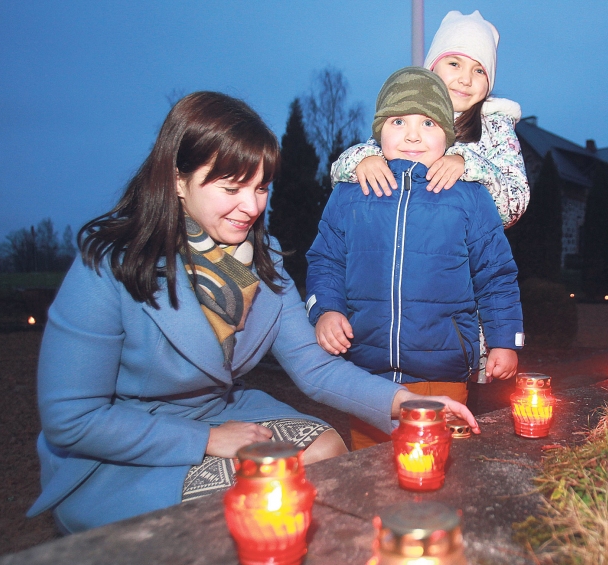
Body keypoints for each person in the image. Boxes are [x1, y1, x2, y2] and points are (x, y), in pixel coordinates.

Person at [26, 91, 478, 533]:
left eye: (261, 187)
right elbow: (73, 420)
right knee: (268, 491)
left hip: (221, 412)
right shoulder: (109, 265)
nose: (252, 206)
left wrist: (406, 403)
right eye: (232, 188)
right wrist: (205, 442)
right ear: (178, 181)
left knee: (328, 455)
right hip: (121, 446)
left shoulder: (263, 259)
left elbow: (314, 368)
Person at [306, 67, 524, 449]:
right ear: (379, 130)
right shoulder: (350, 192)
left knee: (437, 465)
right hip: (365, 374)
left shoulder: (469, 196)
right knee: (370, 473)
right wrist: (325, 309)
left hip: (440, 369)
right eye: (397, 121)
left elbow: (496, 276)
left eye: (427, 122)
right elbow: (326, 260)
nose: (412, 134)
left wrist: (506, 340)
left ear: (448, 135)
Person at [331, 9, 529, 228]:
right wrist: (364, 159)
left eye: (479, 70)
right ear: (432, 68)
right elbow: (338, 173)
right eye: (454, 64)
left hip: (459, 253)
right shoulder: (407, 111)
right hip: (400, 245)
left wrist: (468, 165)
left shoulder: (495, 128)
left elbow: (514, 206)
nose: (465, 79)